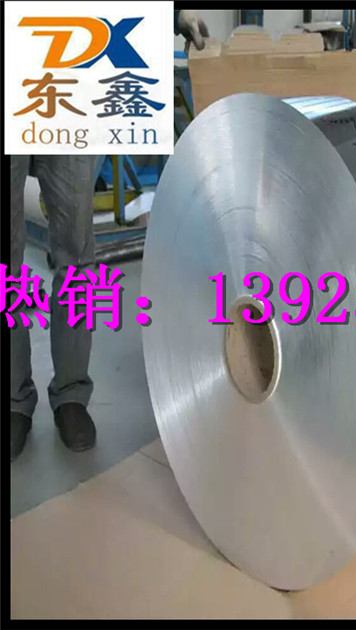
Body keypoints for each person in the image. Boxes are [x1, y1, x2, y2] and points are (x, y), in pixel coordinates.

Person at [10, 10, 209, 462]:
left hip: (70, 69)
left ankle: (71, 393)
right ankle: (13, 398)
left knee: (76, 249)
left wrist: (175, 12)